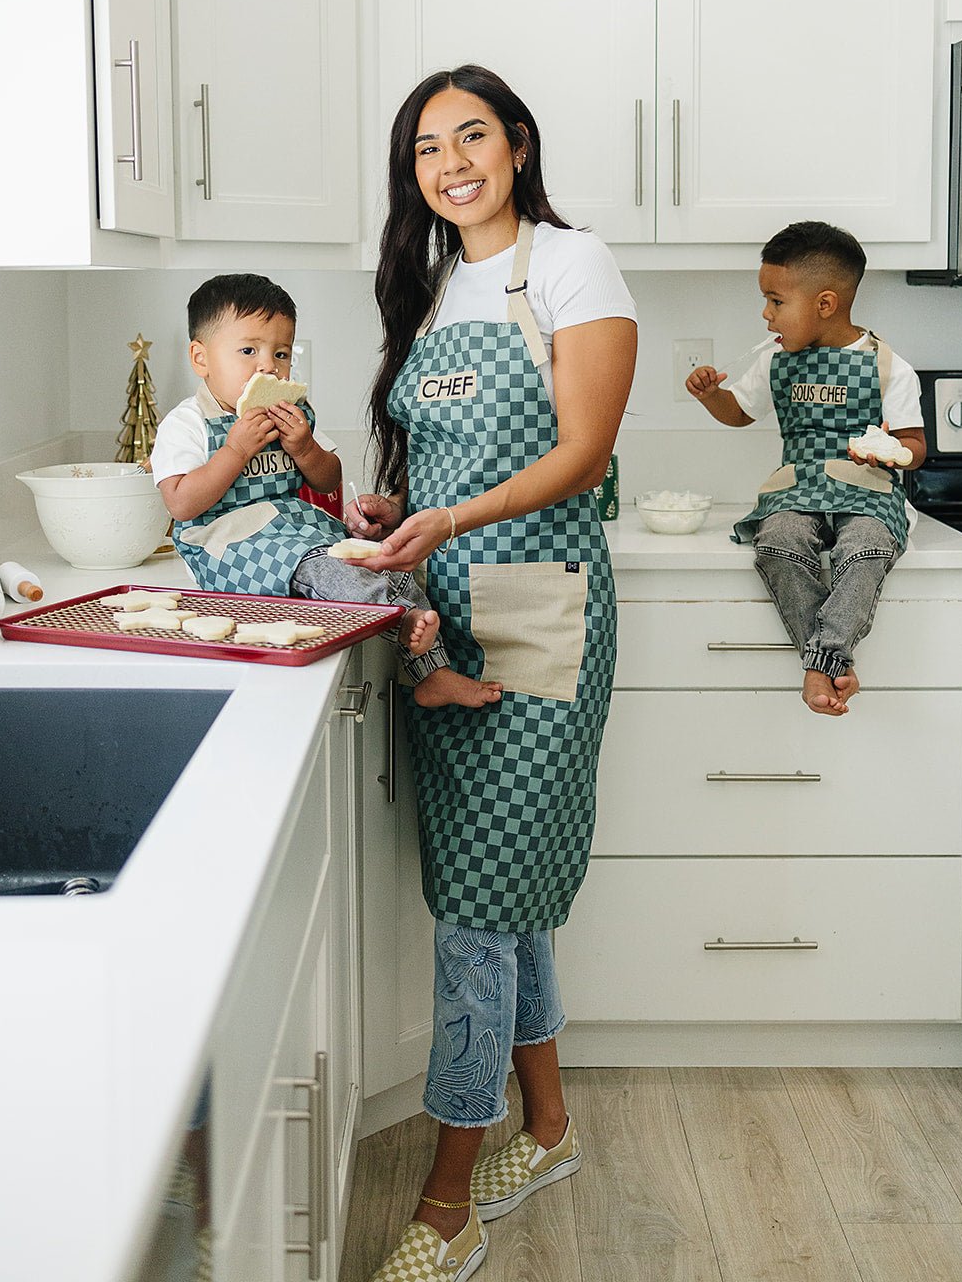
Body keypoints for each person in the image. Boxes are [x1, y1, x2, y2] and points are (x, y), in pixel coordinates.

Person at [345, 66, 637, 1282]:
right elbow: (445, 464)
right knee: (493, 884)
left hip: (535, 601)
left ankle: (451, 1189)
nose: (451, 161)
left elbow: (579, 454)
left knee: (474, 909)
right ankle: (550, 1129)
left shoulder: (569, 264)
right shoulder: (430, 291)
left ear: (516, 145)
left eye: (472, 135)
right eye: (426, 146)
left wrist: (447, 520)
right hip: (440, 610)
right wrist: (399, 511)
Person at [149, 272, 497, 708]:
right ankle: (401, 620)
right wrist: (234, 450)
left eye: (280, 353)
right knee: (330, 571)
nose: (267, 366)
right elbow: (181, 504)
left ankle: (433, 672)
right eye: (248, 351)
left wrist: (304, 446)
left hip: (295, 530)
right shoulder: (187, 424)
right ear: (201, 358)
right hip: (229, 544)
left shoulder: (289, 414)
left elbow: (328, 478)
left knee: (382, 560)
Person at [686, 221, 926, 717]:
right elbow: (740, 412)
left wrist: (886, 451)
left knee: (865, 547)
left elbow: (914, 445)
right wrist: (712, 397)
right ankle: (831, 658)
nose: (766, 314)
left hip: (868, 492)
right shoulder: (776, 361)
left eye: (776, 301)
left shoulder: (889, 367)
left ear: (825, 303)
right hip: (796, 489)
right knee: (776, 542)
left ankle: (822, 662)